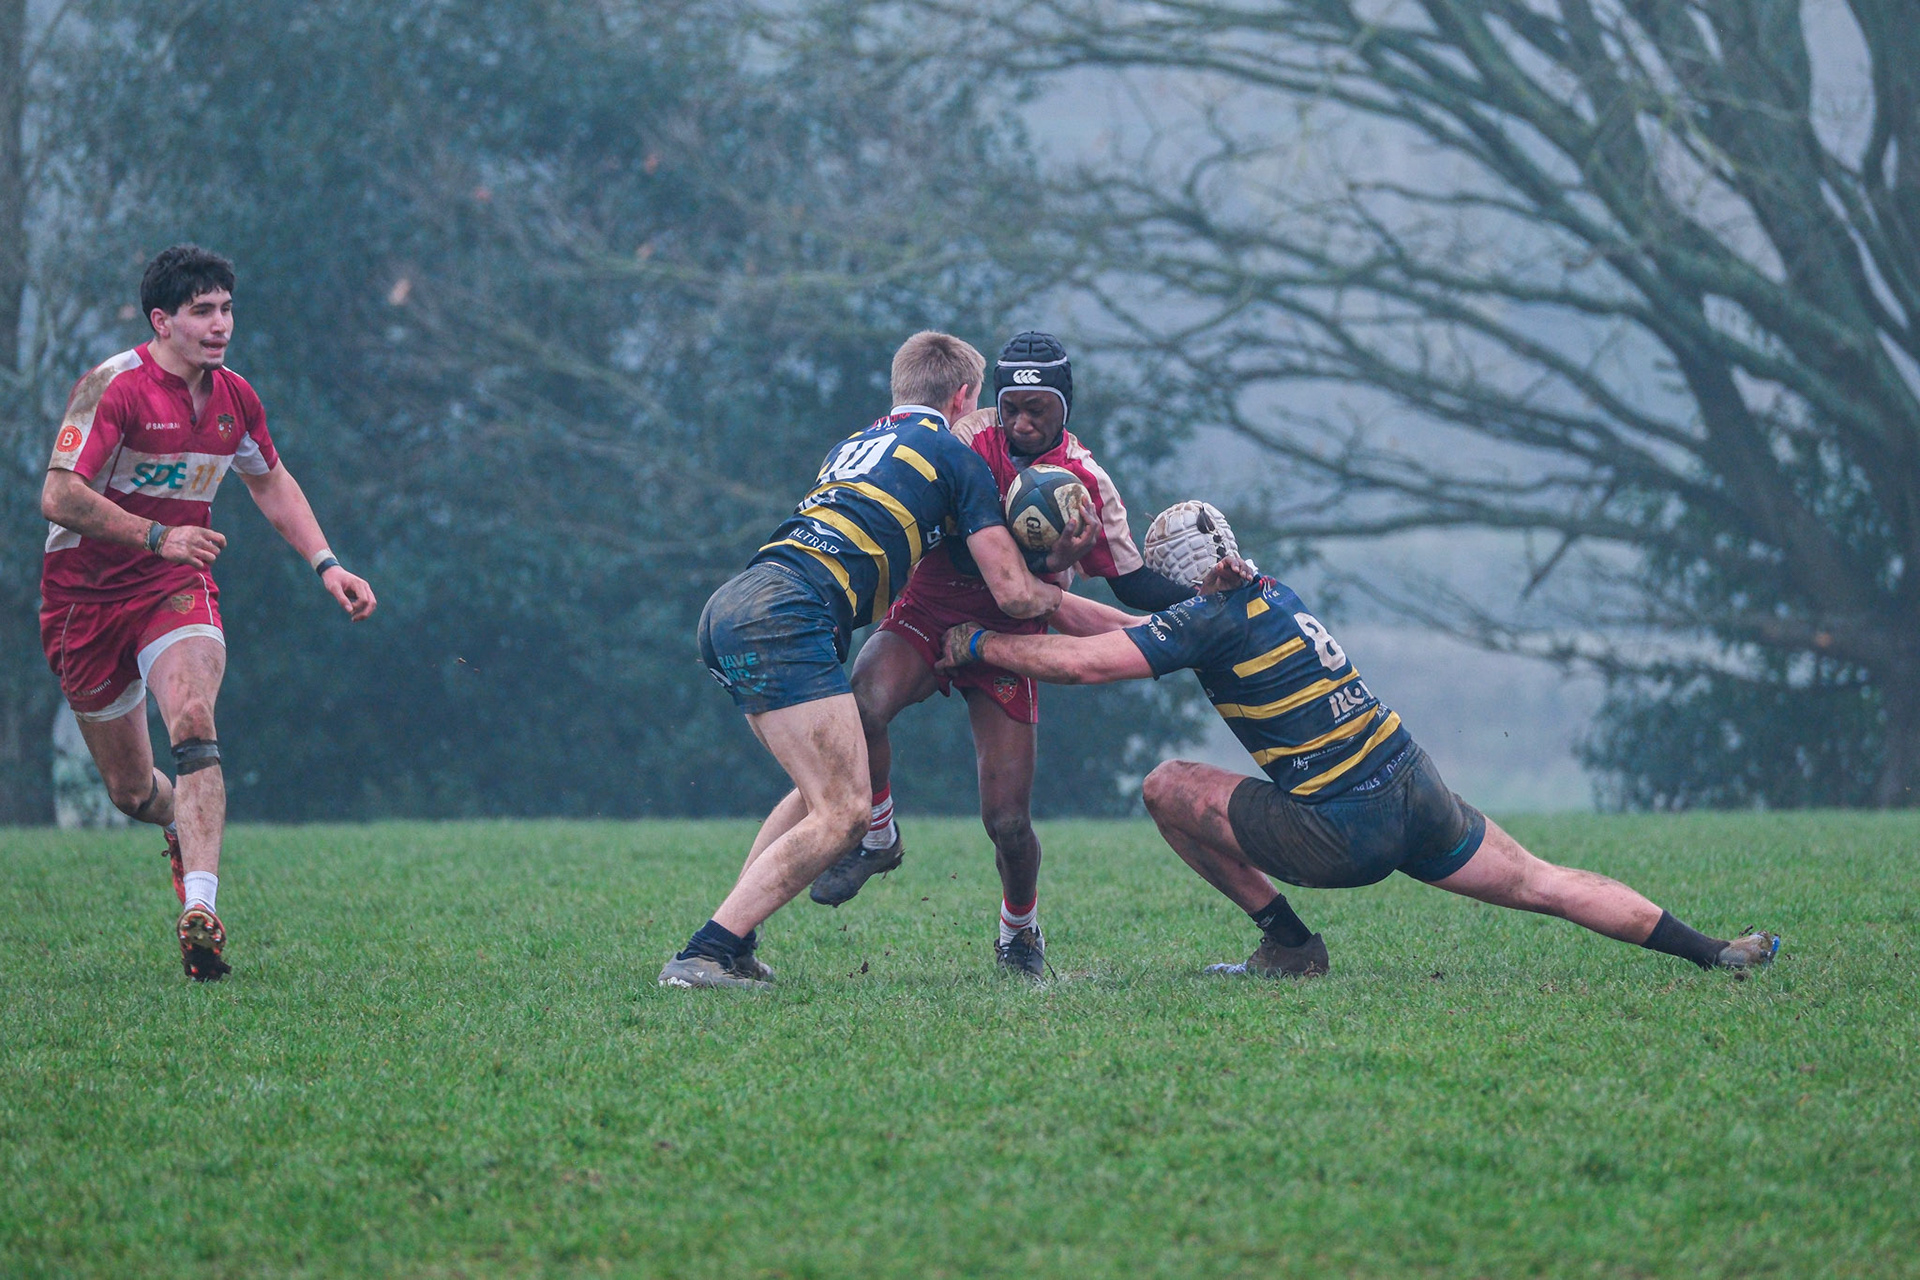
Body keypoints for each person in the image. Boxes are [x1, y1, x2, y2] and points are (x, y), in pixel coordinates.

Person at [938, 501, 1780, 977]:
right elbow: (1131, 632)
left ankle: (1290, 946)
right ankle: (1713, 953)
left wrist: (980, 643)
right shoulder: (1271, 594)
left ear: (1177, 575)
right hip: (1416, 788)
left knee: (1167, 786)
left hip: (1343, 828)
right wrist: (1050, 605)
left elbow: (1090, 666)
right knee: (1542, 880)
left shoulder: (1204, 621)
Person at [659, 332, 1072, 990]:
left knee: (816, 796)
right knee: (846, 812)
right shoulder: (953, 454)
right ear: (964, 396)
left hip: (734, 603)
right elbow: (1014, 593)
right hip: (789, 616)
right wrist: (1062, 586)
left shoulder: (852, 444)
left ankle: (735, 944)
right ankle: (703, 953)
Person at [39, 244, 377, 981]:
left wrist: (328, 563)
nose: (221, 324)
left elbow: (270, 480)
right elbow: (58, 496)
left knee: (193, 716)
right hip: (84, 603)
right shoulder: (113, 387)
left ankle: (201, 910)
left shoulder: (235, 398)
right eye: (202, 311)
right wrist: (156, 534)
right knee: (132, 792)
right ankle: (177, 827)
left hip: (174, 587)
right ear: (162, 321)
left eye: (226, 309)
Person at [809, 331, 1189, 979]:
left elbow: (1133, 584)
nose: (1020, 421)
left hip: (1010, 638)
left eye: (1037, 409)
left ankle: (1020, 932)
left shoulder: (1087, 481)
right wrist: (1039, 559)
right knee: (862, 706)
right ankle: (879, 835)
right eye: (1010, 405)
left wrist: (1211, 603)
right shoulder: (964, 440)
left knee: (1008, 822)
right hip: (931, 608)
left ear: (1064, 406)